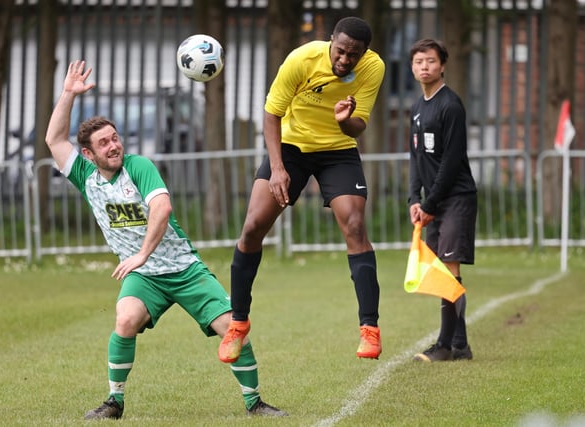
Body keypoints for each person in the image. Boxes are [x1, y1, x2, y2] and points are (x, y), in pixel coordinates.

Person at [45, 60, 287, 419]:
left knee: (231, 329)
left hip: (184, 269)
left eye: (115, 138)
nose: (114, 146)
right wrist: (67, 94)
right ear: (88, 154)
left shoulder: (138, 166)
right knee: (125, 319)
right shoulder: (84, 176)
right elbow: (53, 139)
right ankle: (114, 402)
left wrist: (142, 254)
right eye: (104, 143)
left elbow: (162, 208)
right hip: (145, 278)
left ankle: (255, 403)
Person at [217, 16, 385, 364]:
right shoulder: (301, 59)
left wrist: (344, 120)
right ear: (331, 42)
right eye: (340, 51)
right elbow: (271, 113)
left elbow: (358, 128)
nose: (345, 60)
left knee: (354, 224)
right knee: (252, 227)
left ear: (364, 53)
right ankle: (238, 323)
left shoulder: (373, 67)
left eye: (354, 54)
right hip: (291, 147)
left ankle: (369, 328)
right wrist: (277, 169)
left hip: (337, 149)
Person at [407, 39, 477, 362]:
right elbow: (415, 157)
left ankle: (447, 345)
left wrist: (431, 204)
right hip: (433, 202)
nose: (424, 66)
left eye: (431, 61)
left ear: (442, 65)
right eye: (419, 61)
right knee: (440, 271)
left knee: (449, 269)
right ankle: (457, 345)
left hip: (456, 198)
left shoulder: (451, 105)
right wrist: (414, 198)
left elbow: (451, 162)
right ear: (412, 67)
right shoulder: (418, 107)